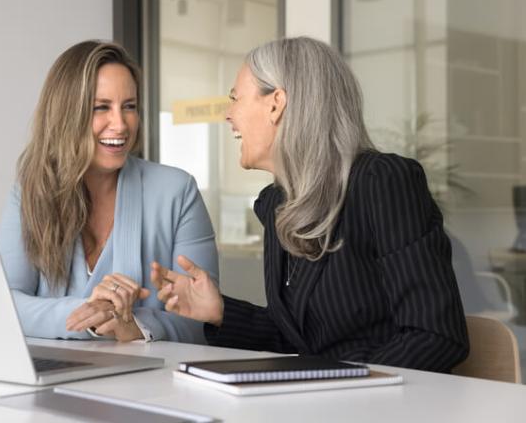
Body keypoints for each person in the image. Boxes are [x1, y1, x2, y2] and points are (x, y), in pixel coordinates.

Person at [151, 36, 469, 372]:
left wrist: (340, 391)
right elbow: (301, 342)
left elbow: (435, 336)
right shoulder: (277, 203)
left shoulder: (383, 181)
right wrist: (220, 311)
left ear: (276, 103)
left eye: (235, 99)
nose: (229, 115)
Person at [0, 40, 218, 343]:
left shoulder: (178, 192)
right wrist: (90, 314)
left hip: (155, 384)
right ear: (66, 114)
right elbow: (4, 305)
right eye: (101, 107)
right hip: (56, 378)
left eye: (129, 106)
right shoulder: (29, 193)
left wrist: (132, 326)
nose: (121, 124)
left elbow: (201, 319)